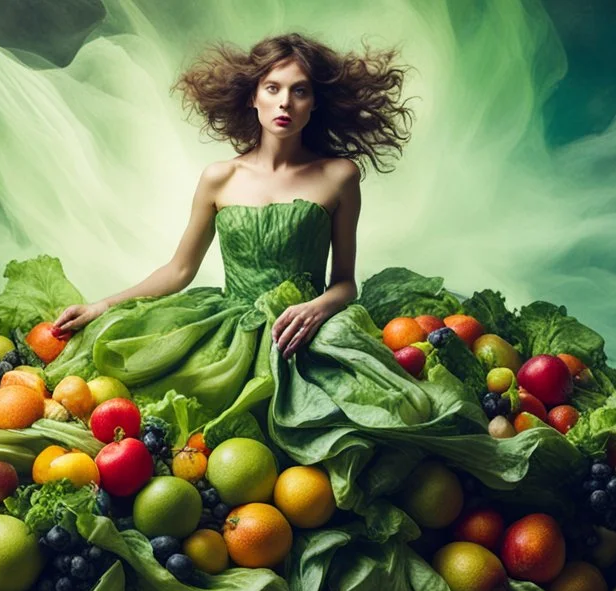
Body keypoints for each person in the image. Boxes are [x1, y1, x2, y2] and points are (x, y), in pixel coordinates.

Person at [53, 33, 409, 361]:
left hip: (302, 334)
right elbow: (179, 270)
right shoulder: (219, 178)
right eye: (272, 88)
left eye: (300, 91)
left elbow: (345, 283)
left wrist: (317, 308)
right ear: (253, 96)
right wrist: (103, 305)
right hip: (229, 333)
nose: (285, 102)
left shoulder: (340, 176)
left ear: (314, 103)